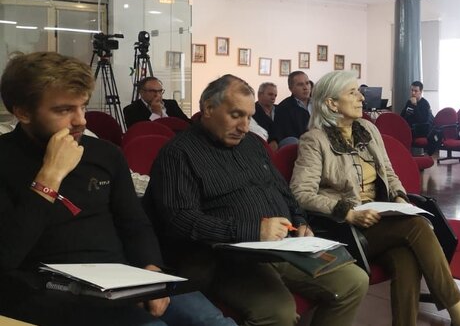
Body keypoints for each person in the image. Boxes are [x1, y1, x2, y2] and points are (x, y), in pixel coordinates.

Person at [0, 52, 232, 326]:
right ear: (23, 112)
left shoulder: (106, 154)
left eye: (83, 107)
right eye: (64, 110)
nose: (81, 121)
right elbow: (8, 256)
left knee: (213, 321)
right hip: (51, 288)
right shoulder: (6, 159)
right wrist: (50, 175)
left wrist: (151, 269)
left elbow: (134, 223)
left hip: (124, 277)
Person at [146, 74, 368, 326]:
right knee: (279, 311)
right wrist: (254, 230)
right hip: (225, 258)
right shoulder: (178, 154)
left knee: (354, 281)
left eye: (249, 117)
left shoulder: (251, 144)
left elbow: (283, 191)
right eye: (236, 115)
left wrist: (300, 221)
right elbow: (181, 220)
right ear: (208, 108)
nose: (244, 126)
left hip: (283, 246)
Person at [289, 71, 460, 326]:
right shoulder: (315, 140)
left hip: (381, 219)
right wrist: (348, 212)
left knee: (406, 258)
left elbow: (389, 173)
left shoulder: (368, 129)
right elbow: (300, 193)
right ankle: (459, 312)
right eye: (352, 93)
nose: (361, 98)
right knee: (416, 225)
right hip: (346, 228)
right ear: (332, 103)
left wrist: (399, 197)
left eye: (359, 92)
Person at [124, 76, 190, 128]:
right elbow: (139, 132)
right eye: (152, 91)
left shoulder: (172, 104)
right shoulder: (131, 110)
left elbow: (187, 124)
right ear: (141, 92)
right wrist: (156, 114)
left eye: (160, 91)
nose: (157, 95)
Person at [275, 71, 313, 146]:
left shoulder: (318, 104)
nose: (305, 88)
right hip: (300, 146)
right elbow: (288, 136)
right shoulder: (284, 108)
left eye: (307, 83)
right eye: (300, 84)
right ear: (291, 88)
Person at [253, 82, 278, 146]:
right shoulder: (252, 111)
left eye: (275, 95)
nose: (273, 98)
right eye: (270, 94)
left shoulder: (280, 110)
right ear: (259, 95)